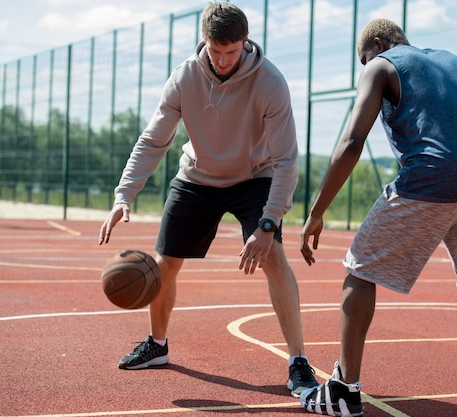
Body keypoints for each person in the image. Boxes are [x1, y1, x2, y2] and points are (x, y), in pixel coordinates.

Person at [298, 18, 457, 417]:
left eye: (364, 60)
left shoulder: (382, 65)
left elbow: (352, 140)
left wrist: (317, 211)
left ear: (377, 45)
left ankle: (343, 390)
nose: (366, 68)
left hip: (429, 177)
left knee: (359, 270)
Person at [98, 1, 319, 397]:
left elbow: (286, 160)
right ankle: (158, 345)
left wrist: (268, 223)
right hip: (197, 176)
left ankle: (299, 362)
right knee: (163, 263)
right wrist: (123, 194)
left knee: (274, 257)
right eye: (215, 51)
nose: (221, 60)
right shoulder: (184, 77)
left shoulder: (270, 82)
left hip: (255, 175)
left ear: (245, 42)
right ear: (204, 42)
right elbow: (153, 141)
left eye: (230, 52)